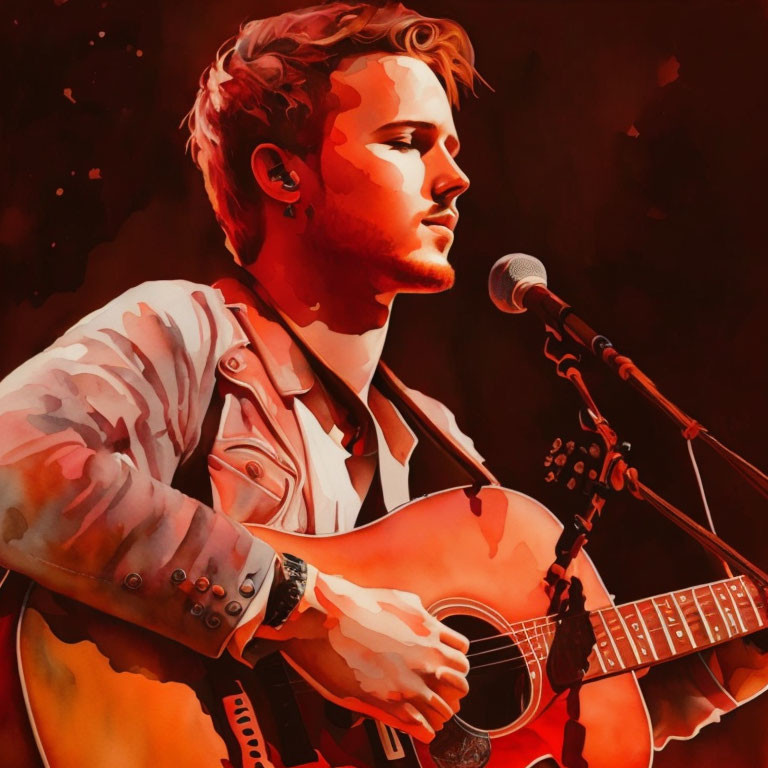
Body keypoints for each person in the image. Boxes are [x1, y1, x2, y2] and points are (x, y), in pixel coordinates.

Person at [0, 3, 766, 767]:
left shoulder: (437, 445)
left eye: (454, 149)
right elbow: (10, 462)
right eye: (407, 143)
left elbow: (515, 715)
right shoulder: (183, 333)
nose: (455, 179)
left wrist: (729, 667)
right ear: (280, 172)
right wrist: (306, 610)